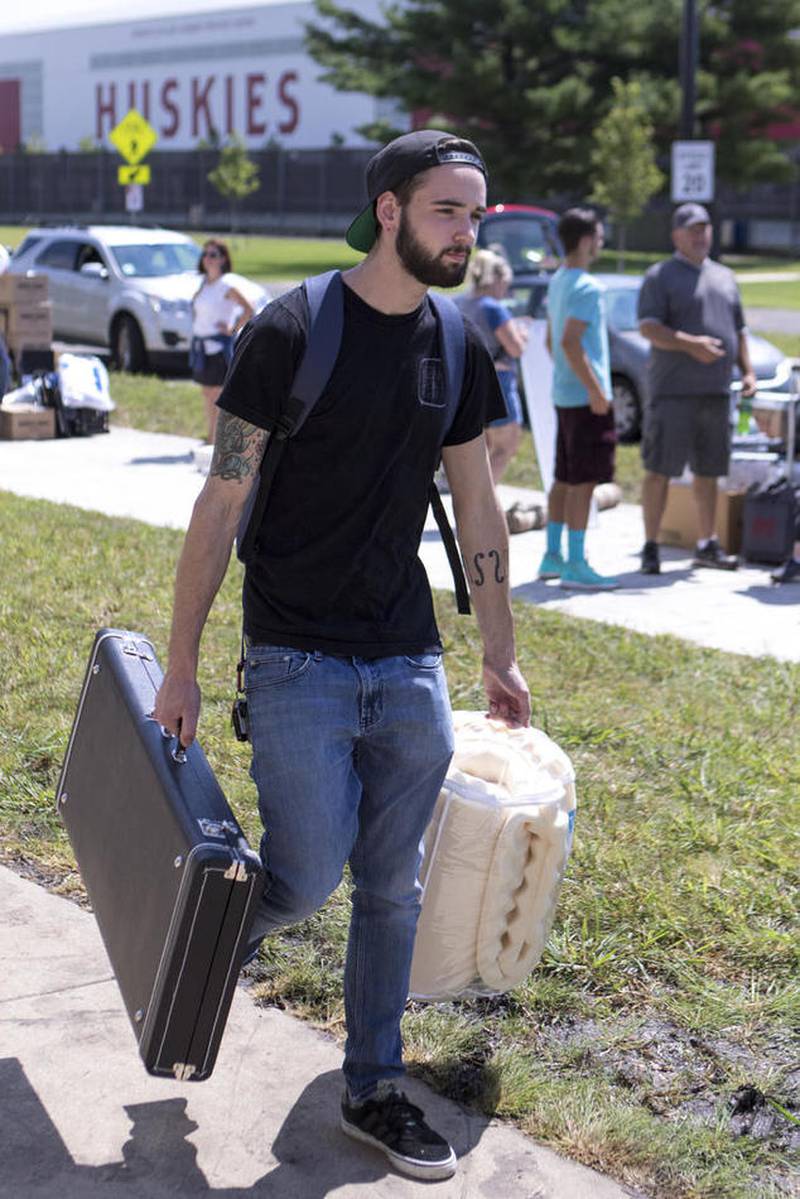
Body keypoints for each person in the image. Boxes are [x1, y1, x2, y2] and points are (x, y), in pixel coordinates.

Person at [154, 129, 530, 1183]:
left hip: (407, 654)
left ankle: (373, 1083)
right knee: (307, 875)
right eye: (448, 211)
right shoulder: (292, 329)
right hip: (294, 659)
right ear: (389, 211)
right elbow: (222, 495)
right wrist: (181, 665)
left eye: (475, 213)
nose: (466, 230)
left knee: (391, 888)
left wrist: (496, 647)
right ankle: (207, 932)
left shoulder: (454, 342)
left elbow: (474, 497)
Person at [637, 203, 758, 574]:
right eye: (692, 229)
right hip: (673, 392)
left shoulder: (725, 276)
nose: (700, 235)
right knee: (660, 470)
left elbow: (738, 331)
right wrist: (692, 344)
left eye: (705, 228)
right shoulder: (660, 276)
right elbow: (648, 327)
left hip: (717, 391)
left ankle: (707, 544)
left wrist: (748, 372)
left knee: (709, 472)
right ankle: (651, 546)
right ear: (676, 235)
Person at [538, 208, 618, 591]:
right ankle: (575, 563)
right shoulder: (588, 286)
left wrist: (570, 380)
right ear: (586, 241)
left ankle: (552, 555)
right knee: (584, 482)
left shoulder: (558, 281)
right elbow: (570, 342)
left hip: (563, 394)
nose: (600, 243)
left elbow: (550, 341)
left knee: (564, 477)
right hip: (585, 399)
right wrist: (595, 389)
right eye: (599, 237)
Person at [457, 248, 528, 482]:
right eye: (505, 283)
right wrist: (522, 334)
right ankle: (485, 504)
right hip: (500, 384)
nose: (505, 289)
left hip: (469, 385)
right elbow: (515, 348)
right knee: (506, 447)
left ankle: (473, 506)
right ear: (495, 278)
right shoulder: (493, 308)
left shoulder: (462, 302)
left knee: (484, 451)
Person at [191, 239, 254, 443]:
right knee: (207, 393)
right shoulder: (204, 283)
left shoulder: (226, 284)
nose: (207, 259)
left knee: (218, 394)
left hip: (219, 347)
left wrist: (232, 328)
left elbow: (248, 310)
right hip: (202, 347)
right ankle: (211, 436)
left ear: (223, 259)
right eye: (205, 254)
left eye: (213, 255)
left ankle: (217, 439)